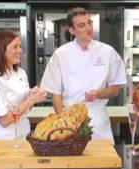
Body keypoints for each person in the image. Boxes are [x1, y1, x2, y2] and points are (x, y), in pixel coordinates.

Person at [40, 7, 127, 145]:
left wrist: (98, 94)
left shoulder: (107, 52)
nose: (88, 28)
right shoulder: (60, 55)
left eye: (89, 23)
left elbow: (115, 89)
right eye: (82, 25)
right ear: (72, 30)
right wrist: (64, 124)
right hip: (70, 122)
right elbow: (56, 95)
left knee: (103, 165)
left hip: (99, 124)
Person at [0, 29, 47, 140]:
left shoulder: (21, 73)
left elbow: (26, 109)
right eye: (15, 47)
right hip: (4, 140)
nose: (20, 51)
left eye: (20, 46)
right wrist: (31, 100)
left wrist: (32, 95)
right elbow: (4, 120)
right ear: (1, 50)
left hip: (24, 135)